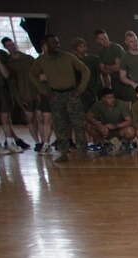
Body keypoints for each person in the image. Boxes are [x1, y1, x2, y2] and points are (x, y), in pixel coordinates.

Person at [29, 35, 90, 164]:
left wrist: (80, 89)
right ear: (46, 44)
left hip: (71, 94)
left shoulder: (68, 57)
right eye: (53, 43)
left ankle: (82, 151)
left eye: (57, 43)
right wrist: (44, 91)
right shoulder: (41, 60)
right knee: (59, 124)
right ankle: (63, 152)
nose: (56, 45)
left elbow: (85, 70)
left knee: (78, 124)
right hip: (55, 96)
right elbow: (32, 75)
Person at [86, 86, 133, 152]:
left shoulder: (122, 104)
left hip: (119, 130)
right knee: (87, 125)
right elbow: (88, 116)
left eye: (113, 97)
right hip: (104, 130)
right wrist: (99, 125)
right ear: (103, 99)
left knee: (130, 131)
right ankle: (103, 144)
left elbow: (129, 121)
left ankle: (125, 144)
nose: (112, 100)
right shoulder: (98, 105)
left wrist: (115, 126)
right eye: (109, 98)